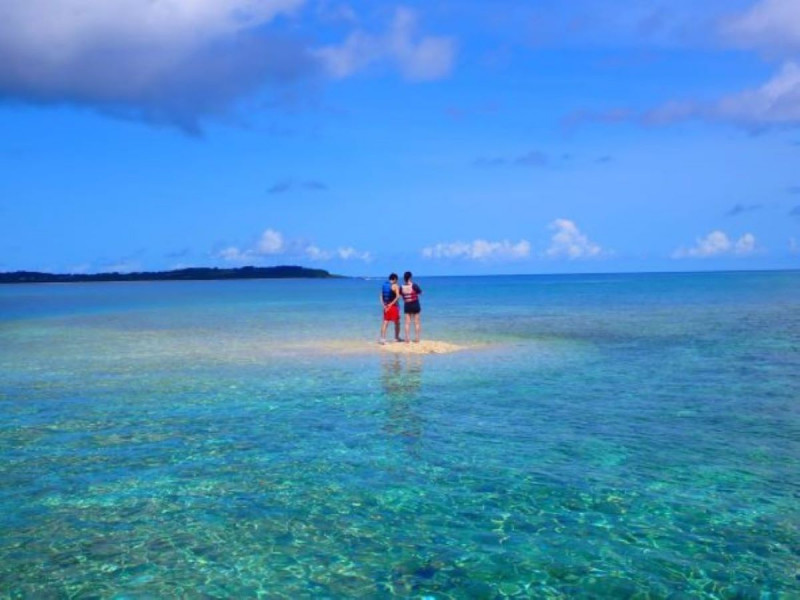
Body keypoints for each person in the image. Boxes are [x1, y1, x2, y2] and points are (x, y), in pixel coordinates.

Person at [379, 273, 402, 344]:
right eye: (397, 280)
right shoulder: (395, 286)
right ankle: (396, 338)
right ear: (395, 279)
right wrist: (391, 304)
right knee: (397, 322)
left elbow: (380, 296)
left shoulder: (384, 285)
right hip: (393, 306)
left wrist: (384, 305)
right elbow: (398, 296)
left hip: (385, 306)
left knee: (385, 322)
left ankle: (382, 338)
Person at [401, 271, 422, 343]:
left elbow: (401, 295)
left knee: (407, 323)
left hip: (407, 305)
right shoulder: (414, 285)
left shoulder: (402, 287)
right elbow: (420, 292)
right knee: (416, 322)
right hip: (415, 304)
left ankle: (407, 338)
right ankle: (417, 338)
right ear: (410, 277)